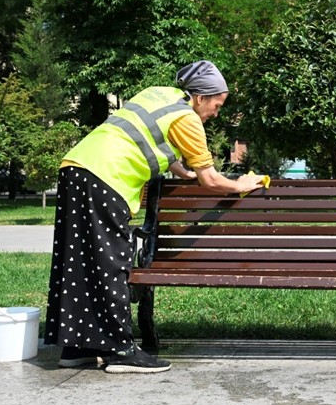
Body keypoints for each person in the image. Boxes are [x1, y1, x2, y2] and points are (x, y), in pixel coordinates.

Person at [44, 61, 266, 374]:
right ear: (200, 97)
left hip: (77, 167)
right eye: (217, 105)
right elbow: (211, 180)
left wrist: (181, 171)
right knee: (111, 263)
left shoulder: (159, 94)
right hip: (107, 176)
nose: (217, 113)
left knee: (80, 260)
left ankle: (78, 347)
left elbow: (147, 135)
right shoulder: (188, 119)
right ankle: (121, 351)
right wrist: (241, 185)